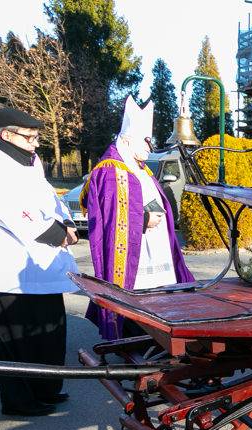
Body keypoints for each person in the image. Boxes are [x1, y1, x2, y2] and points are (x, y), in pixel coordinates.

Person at [83, 97, 193, 340]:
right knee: (138, 306)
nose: (149, 146)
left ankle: (160, 339)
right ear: (127, 139)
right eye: (145, 141)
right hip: (135, 256)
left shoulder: (141, 168)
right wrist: (143, 221)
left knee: (162, 303)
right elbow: (110, 220)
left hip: (156, 249)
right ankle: (133, 340)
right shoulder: (112, 171)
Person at [0, 108, 79, 417]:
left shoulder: (32, 162)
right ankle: (19, 400)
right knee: (14, 339)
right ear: (6, 135)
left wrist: (68, 222)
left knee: (48, 333)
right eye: (28, 137)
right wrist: (56, 234)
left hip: (42, 267)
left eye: (36, 137)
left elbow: (52, 198)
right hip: (10, 270)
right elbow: (10, 209)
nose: (34, 143)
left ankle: (46, 388)